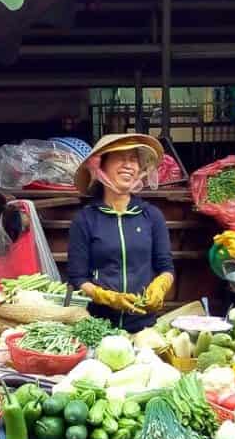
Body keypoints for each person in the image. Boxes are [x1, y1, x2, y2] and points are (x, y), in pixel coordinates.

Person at [66, 134, 175, 332]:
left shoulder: (152, 215)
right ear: (101, 166)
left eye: (133, 159)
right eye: (120, 157)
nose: (128, 165)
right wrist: (106, 297)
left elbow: (166, 266)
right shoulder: (85, 219)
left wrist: (161, 285)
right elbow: (77, 277)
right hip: (98, 326)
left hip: (145, 327)